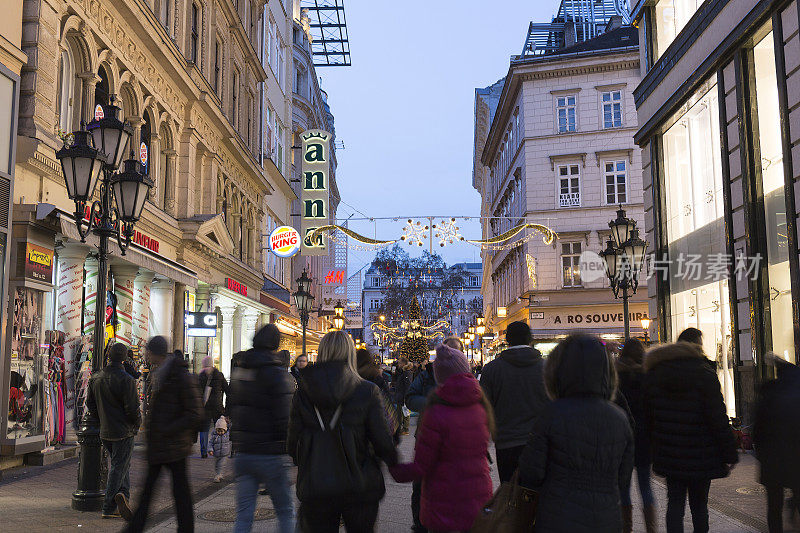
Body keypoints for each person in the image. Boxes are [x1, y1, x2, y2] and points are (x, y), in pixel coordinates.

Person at [518, 334, 633, 533]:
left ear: (558, 371)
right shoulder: (619, 418)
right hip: (606, 519)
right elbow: (623, 478)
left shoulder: (552, 414)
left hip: (557, 517)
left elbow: (531, 474)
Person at [287, 330, 398, 532]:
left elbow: (292, 442)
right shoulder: (367, 390)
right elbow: (382, 441)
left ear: (322, 353)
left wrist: (308, 460)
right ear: (350, 354)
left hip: (317, 483)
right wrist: (393, 463)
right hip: (360, 484)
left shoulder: (303, 391)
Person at [389, 343, 494, 533]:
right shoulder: (480, 406)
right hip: (477, 495)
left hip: (445, 499)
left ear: (439, 376)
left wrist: (395, 469)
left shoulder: (436, 413)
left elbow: (422, 465)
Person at [643, 332, 738, 533]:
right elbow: (717, 418)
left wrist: (652, 449)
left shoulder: (658, 373)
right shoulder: (704, 373)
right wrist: (730, 452)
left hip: (670, 454)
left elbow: (649, 417)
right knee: (699, 506)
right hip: (701, 454)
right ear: (697, 346)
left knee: (675, 504)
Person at [125, 336, 203, 533]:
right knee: (151, 492)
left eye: (147, 351)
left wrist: (167, 429)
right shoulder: (159, 373)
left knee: (178, 493)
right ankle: (136, 528)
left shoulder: (179, 376)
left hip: (173, 445)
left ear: (153, 353)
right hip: (161, 445)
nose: (145, 355)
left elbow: (195, 413)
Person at [228, 324, 296, 533]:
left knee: (244, 513)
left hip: (244, 451)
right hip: (270, 452)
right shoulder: (276, 373)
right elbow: (284, 416)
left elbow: (232, 404)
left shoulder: (241, 369)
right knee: (284, 510)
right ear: (275, 344)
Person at [480, 321, 549, 483]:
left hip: (506, 442)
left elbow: (483, 408)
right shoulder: (547, 368)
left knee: (509, 493)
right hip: (541, 442)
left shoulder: (492, 369)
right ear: (530, 339)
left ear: (507, 340)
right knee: (538, 493)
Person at [86, 342, 141, 520]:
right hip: (123, 430)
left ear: (109, 356)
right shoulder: (127, 380)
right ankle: (109, 506)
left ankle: (123, 496)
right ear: (124, 359)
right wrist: (136, 425)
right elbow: (133, 409)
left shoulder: (96, 377)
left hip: (106, 430)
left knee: (122, 464)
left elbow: (90, 404)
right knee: (118, 466)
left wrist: (101, 418)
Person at [753, 354, 800, 533]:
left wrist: (761, 455)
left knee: (773, 504)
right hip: (796, 457)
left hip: (772, 460)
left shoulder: (768, 395)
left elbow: (757, 430)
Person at [616, 338, 656, 533]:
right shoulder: (648, 377)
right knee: (645, 485)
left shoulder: (615, 378)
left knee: (623, 487)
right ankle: (652, 528)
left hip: (621, 438)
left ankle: (626, 528)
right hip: (644, 438)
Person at [405, 350, 438, 533]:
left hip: (453, 440)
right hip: (426, 434)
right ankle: (419, 523)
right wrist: (432, 404)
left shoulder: (463, 377)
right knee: (420, 483)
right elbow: (410, 398)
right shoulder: (427, 375)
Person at [198, 355, 229, 458]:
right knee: (221, 427)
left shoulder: (201, 376)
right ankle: (220, 450)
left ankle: (203, 452)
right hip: (217, 405)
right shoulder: (219, 375)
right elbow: (227, 389)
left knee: (204, 429)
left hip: (205, 406)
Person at [393, 357, 414, 435]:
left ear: (404, 364)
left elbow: (408, 385)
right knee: (400, 413)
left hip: (403, 396)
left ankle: (405, 429)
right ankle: (402, 428)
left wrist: (406, 397)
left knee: (405, 413)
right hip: (400, 395)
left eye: (400, 363)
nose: (398, 365)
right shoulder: (402, 372)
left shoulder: (407, 372)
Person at [209, 416, 231, 483]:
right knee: (216, 465)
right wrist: (210, 449)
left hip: (224, 453)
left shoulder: (227, 434)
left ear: (225, 429)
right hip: (216, 453)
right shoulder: (214, 436)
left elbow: (230, 427)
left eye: (222, 431)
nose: (220, 432)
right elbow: (210, 443)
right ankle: (218, 474)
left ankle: (219, 475)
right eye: (218, 431)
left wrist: (228, 422)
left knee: (221, 464)